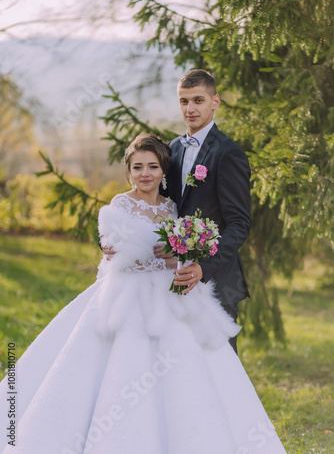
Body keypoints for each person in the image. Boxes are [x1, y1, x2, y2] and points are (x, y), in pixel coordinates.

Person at [0, 133, 287, 454]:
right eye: (138, 167)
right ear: (128, 172)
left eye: (152, 166)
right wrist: (151, 255)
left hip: (171, 293)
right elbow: (114, 253)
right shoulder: (120, 205)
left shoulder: (172, 208)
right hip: (129, 295)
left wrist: (181, 254)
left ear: (164, 172)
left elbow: (181, 246)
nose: (145, 173)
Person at [154, 69, 252, 353]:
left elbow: (239, 223)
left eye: (198, 100)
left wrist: (203, 267)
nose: (190, 108)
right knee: (182, 365)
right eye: (184, 101)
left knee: (220, 365)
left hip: (218, 280)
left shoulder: (228, 153)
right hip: (173, 279)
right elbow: (156, 206)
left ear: (215, 101)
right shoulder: (172, 149)